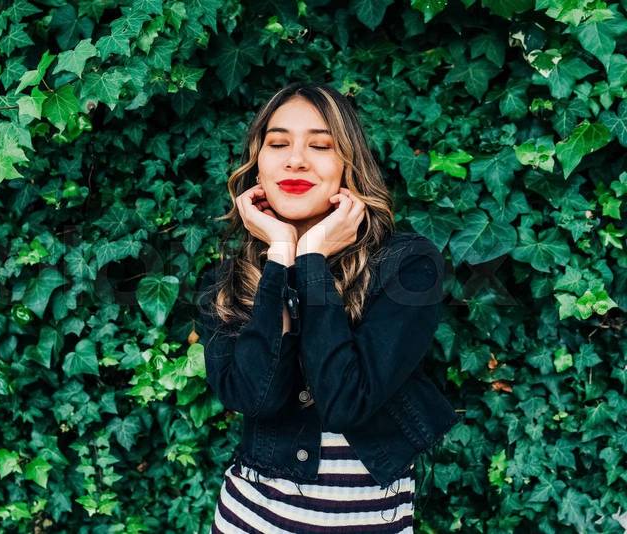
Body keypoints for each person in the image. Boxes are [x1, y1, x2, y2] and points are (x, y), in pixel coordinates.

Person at [196, 81, 460, 533]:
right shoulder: (228, 281)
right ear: (257, 166)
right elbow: (254, 397)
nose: (295, 158)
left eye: (321, 145)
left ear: (348, 167)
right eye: (278, 143)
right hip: (249, 520)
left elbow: (345, 401)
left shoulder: (408, 265)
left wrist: (313, 258)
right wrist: (282, 254)